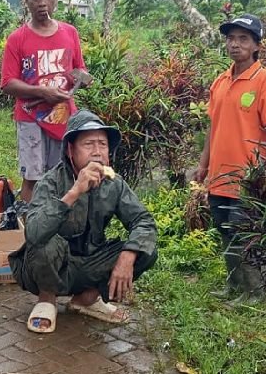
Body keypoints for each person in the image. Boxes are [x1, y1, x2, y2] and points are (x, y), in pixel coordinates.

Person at [9, 110, 158, 333]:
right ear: (71, 150)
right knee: (45, 239)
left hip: (89, 263)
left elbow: (143, 221)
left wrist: (128, 255)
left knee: (145, 250)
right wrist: (75, 191)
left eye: (103, 145)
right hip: (47, 266)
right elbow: (34, 232)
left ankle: (86, 300)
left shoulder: (114, 184)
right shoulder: (51, 181)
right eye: (88, 144)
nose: (97, 152)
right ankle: (46, 300)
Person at [191, 14, 266, 305]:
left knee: (244, 235)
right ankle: (234, 286)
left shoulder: (265, 81)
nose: (235, 44)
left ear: (256, 45)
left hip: (247, 178)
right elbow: (213, 128)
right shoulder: (220, 81)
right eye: (231, 38)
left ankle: (254, 292)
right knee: (225, 233)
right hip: (219, 176)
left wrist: (261, 172)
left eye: (243, 38)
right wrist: (203, 166)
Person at [0, 0, 88, 202]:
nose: (42, 3)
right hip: (30, 119)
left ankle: (58, 225)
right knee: (32, 177)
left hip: (63, 116)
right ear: (26, 1)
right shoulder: (17, 38)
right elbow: (7, 83)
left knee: (63, 174)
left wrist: (81, 79)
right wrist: (40, 92)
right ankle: (31, 230)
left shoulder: (70, 33)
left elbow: (79, 67)